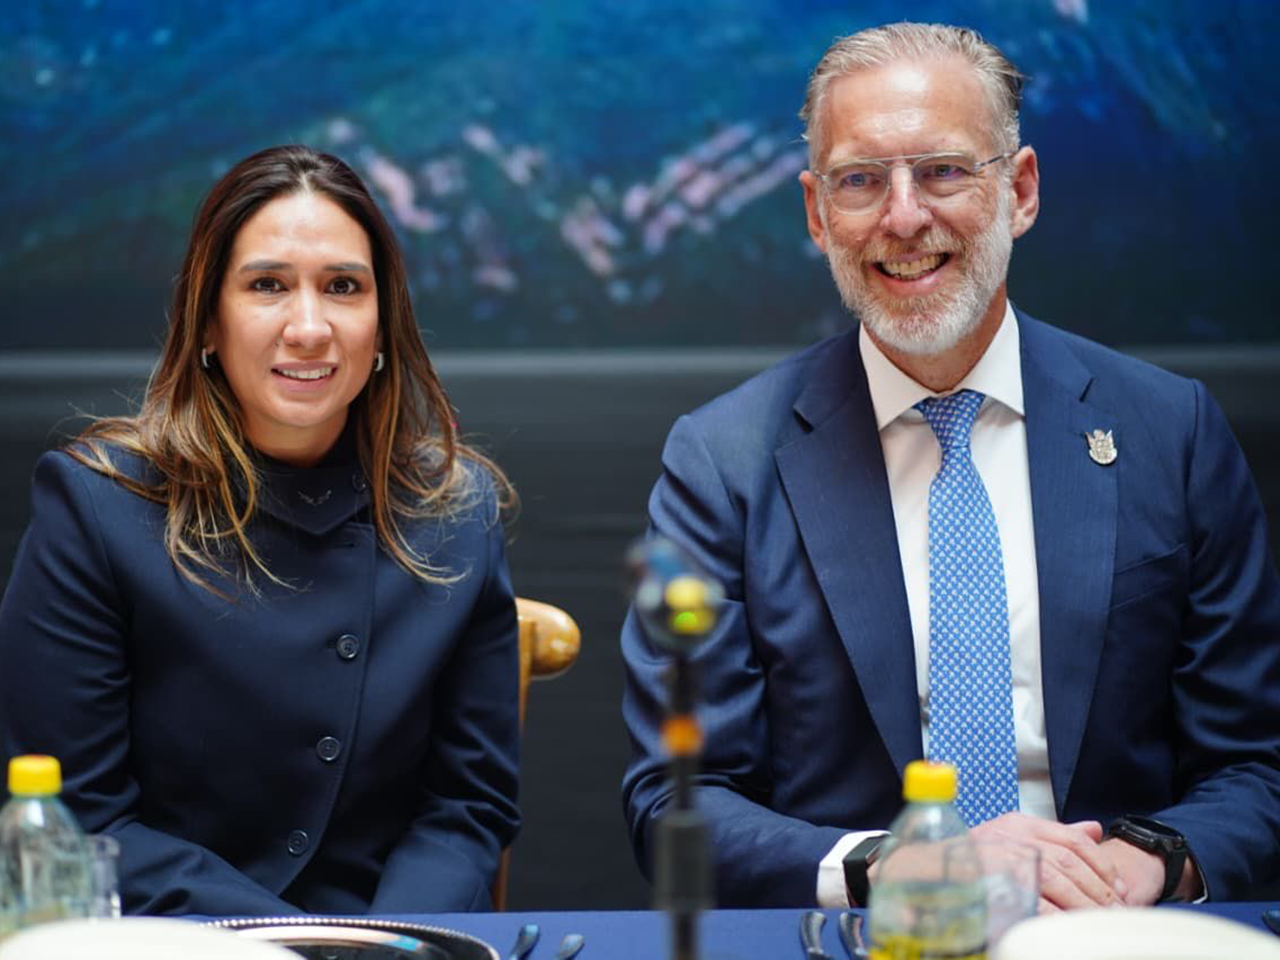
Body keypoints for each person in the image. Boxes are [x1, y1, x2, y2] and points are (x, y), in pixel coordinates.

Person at [621, 22, 1280, 911]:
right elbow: (677, 802)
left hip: (1107, 923)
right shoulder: (724, 463)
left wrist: (1151, 864)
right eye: (861, 180)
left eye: (942, 171)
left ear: (1021, 190)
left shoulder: (1172, 431)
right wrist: (893, 866)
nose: (903, 217)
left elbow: (1256, 763)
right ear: (817, 214)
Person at [0, 145, 521, 916]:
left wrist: (395, 943)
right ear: (208, 322)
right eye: (267, 285)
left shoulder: (458, 511)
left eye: (343, 287)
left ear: (383, 327)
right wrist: (293, 946)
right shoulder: (93, 504)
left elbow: (467, 808)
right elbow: (83, 818)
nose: (308, 327)